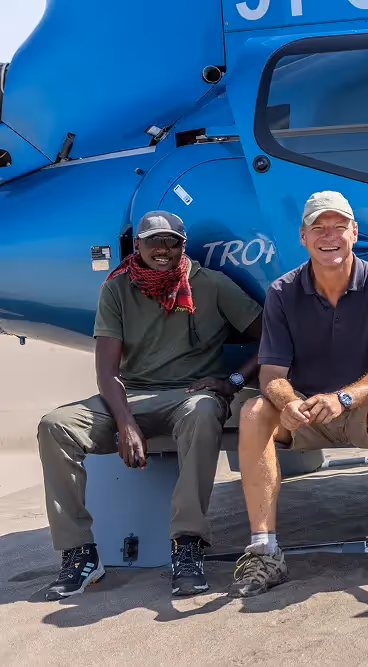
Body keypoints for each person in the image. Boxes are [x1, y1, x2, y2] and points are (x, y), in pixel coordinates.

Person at [37, 211, 263, 599]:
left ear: (183, 245)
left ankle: (186, 545)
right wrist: (125, 423)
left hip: (191, 396)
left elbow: (271, 336)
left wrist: (232, 382)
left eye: (172, 241)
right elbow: (107, 371)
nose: (163, 249)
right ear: (136, 245)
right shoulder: (117, 289)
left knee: (204, 410)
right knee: (56, 424)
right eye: (154, 241)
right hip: (133, 396)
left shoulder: (212, 285)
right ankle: (80, 553)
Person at [229, 191, 368, 598]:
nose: (328, 236)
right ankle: (264, 551)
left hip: (360, 411)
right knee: (253, 412)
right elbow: (272, 374)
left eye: (338, 226)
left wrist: (344, 399)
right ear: (302, 236)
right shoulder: (282, 291)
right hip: (305, 413)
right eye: (318, 227)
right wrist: (288, 402)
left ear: (354, 232)